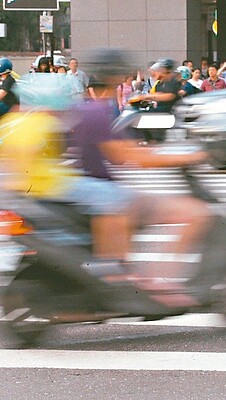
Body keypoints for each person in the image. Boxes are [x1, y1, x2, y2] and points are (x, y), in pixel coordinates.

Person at [1, 49, 212, 301]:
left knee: (115, 198)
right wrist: (189, 156)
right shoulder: (81, 116)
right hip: (54, 187)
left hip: (41, 190)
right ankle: (124, 275)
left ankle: (121, 270)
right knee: (118, 200)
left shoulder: (22, 122)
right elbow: (124, 155)